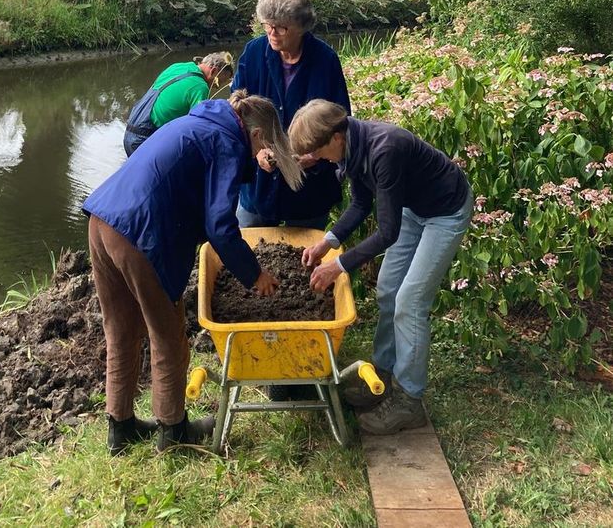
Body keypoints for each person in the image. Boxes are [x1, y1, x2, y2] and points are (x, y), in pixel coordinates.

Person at [83, 90, 303, 455]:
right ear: (257, 135)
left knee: (121, 329)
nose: (257, 156)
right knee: (168, 336)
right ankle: (174, 432)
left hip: (103, 219)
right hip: (139, 232)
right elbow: (220, 227)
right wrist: (255, 274)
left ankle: (119, 427)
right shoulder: (227, 141)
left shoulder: (201, 121)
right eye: (262, 148)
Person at [288, 99, 473, 435]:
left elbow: (388, 233)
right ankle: (382, 376)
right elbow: (360, 204)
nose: (314, 158)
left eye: (317, 150)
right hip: (413, 209)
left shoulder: (385, 149)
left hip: (445, 211)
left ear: (336, 137)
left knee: (410, 303)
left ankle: (409, 400)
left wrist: (338, 266)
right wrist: (327, 243)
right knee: (388, 290)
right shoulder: (353, 148)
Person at [232, 0, 350, 229]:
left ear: (302, 27)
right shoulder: (253, 53)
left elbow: (340, 119)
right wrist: (258, 151)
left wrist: (315, 153)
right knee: (249, 249)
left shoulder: (325, 60)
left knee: (304, 256)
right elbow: (236, 112)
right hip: (259, 184)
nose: (272, 34)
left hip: (308, 188)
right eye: (267, 26)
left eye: (281, 28)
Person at [123, 52, 233, 156]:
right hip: (145, 140)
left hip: (130, 131)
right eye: (216, 84)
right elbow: (199, 129)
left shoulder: (178, 66)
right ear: (213, 71)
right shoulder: (200, 88)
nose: (214, 87)